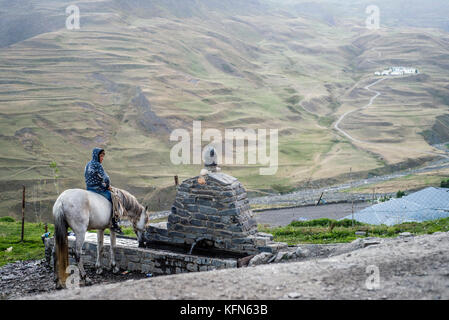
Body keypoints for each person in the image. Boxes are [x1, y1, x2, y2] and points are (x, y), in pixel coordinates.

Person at [84, 147, 123, 234]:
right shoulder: (97, 165)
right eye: (101, 156)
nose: (102, 158)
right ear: (96, 156)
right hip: (98, 189)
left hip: (89, 188)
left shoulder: (88, 164)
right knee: (114, 198)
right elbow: (106, 177)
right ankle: (114, 222)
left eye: (103, 156)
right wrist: (107, 186)